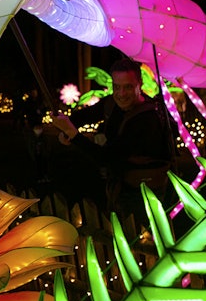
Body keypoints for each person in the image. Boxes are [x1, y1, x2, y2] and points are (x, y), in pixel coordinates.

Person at [52, 58, 171, 229]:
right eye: (117, 87)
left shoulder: (147, 119)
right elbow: (84, 116)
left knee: (141, 238)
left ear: (140, 84)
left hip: (145, 194)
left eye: (128, 87)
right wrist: (66, 124)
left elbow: (108, 158)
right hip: (121, 187)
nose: (121, 94)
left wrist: (73, 135)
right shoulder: (112, 103)